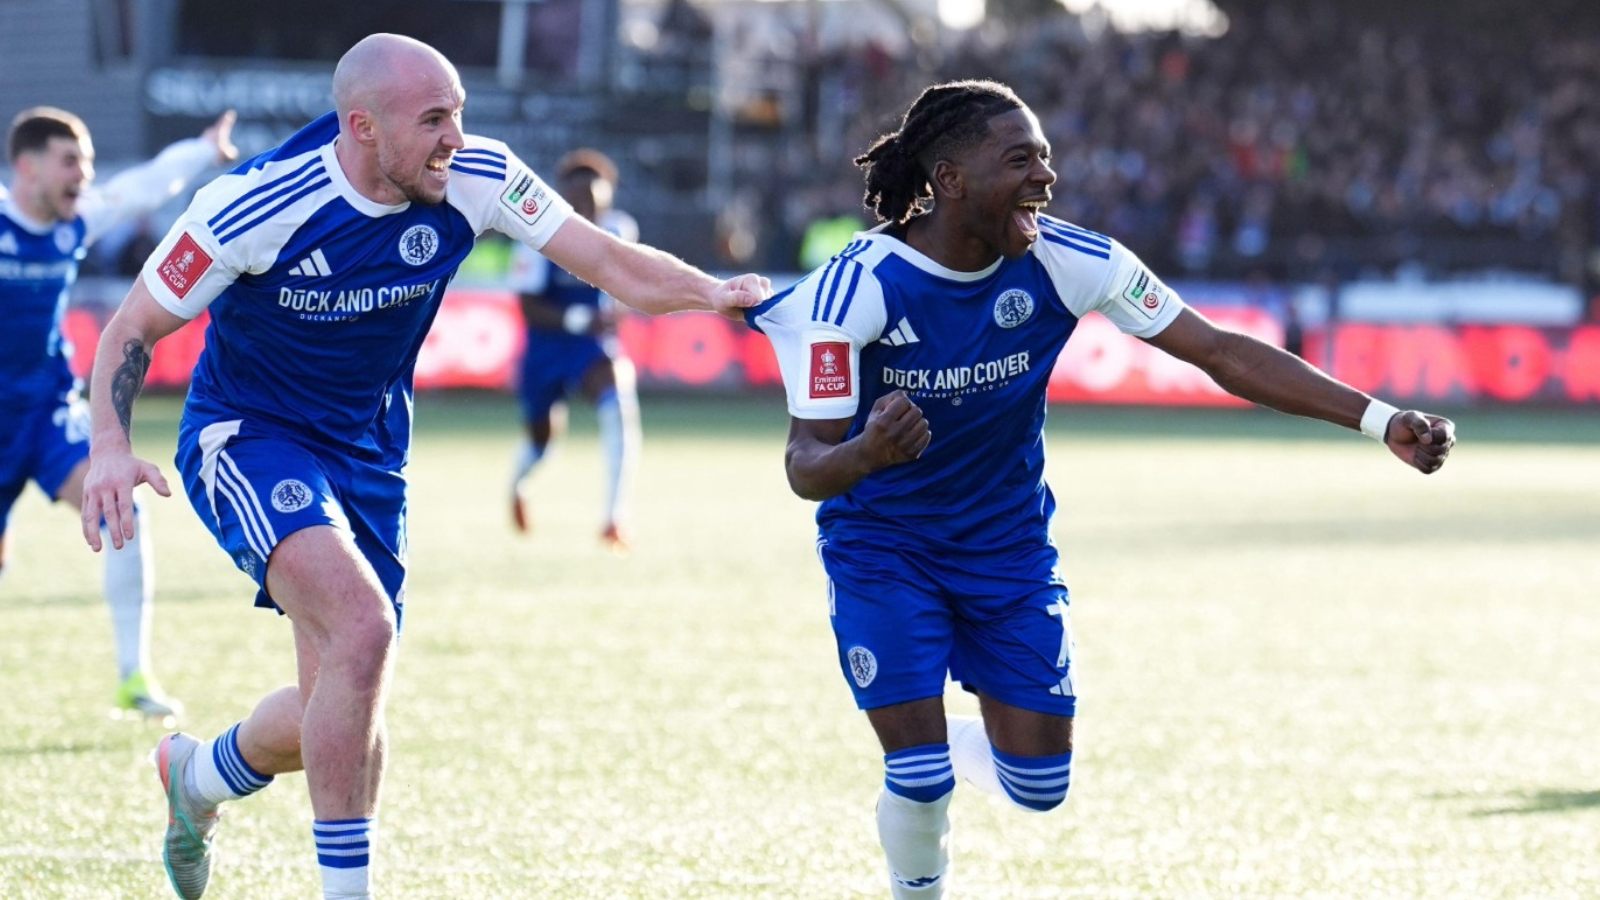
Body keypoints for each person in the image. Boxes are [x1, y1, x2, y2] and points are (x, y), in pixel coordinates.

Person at [77, 34, 768, 900]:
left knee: (339, 701)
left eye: (460, 113)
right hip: (247, 439)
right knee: (365, 628)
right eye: (435, 118)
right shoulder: (252, 207)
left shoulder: (479, 176)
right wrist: (109, 444)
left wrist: (714, 291)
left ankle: (198, 778)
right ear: (362, 127)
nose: (457, 135)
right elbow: (130, 327)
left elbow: (608, 261)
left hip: (371, 459)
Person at [744, 80, 1456, 899]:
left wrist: (1380, 420)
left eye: (1046, 158)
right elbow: (807, 465)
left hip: (1007, 549)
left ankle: (949, 745)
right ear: (949, 179)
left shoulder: (1070, 259)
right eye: (1021, 160)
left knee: (1040, 790)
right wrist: (867, 452)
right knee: (919, 775)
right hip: (884, 548)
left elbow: (1221, 351)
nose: (1045, 178)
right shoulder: (855, 289)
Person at [1, 105, 237, 722]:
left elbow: (144, 187)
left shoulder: (72, 224)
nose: (84, 174)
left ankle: (133, 677)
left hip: (49, 417)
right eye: (70, 161)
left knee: (118, 506)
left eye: (88, 162)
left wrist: (205, 150)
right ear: (26, 166)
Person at [506, 148, 641, 551]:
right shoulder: (533, 236)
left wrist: (622, 306)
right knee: (541, 438)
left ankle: (614, 517)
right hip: (546, 348)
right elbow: (528, 309)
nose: (589, 211)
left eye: (596, 204)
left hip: (592, 347)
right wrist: (581, 320)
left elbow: (624, 280)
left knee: (618, 402)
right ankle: (519, 485)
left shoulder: (619, 230)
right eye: (580, 202)